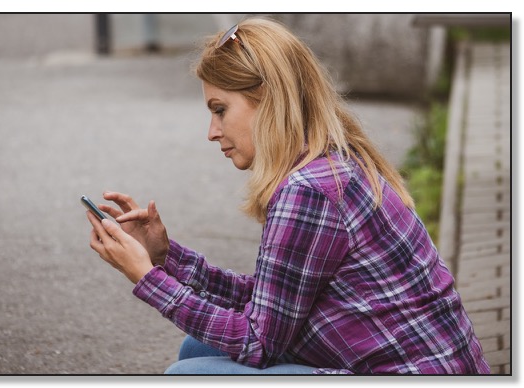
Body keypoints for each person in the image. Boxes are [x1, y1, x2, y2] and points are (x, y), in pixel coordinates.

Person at [86, 17, 490, 374]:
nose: (211, 131)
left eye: (220, 109)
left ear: (267, 100)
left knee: (188, 373)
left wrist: (147, 278)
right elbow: (274, 304)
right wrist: (165, 256)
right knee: (198, 347)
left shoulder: (308, 191)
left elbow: (258, 343)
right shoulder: (333, 161)